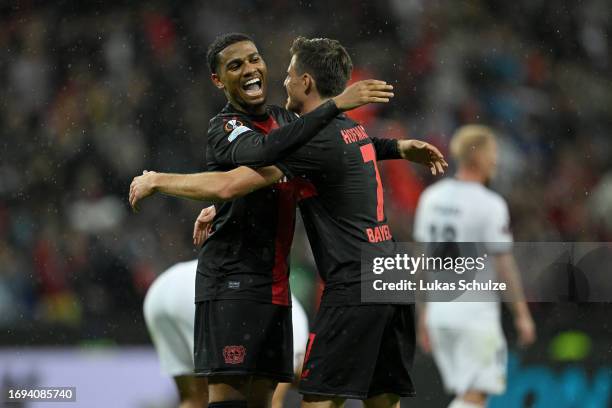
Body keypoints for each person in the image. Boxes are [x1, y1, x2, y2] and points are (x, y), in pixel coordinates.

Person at [130, 36, 448, 408]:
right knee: (382, 401)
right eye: (237, 65)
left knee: (317, 401)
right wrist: (398, 146)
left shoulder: (304, 136)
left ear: (306, 83)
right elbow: (330, 153)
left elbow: (234, 182)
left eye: (289, 73)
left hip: (352, 282)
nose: (282, 80)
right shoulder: (348, 129)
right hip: (391, 276)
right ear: (218, 79)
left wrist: (158, 180)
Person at [413, 125, 536, 408]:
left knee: (468, 394)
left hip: (440, 313)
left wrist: (423, 314)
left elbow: (420, 263)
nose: (496, 160)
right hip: (473, 315)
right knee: (476, 394)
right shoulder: (490, 205)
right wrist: (521, 314)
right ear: (479, 156)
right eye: (493, 153)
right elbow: (505, 265)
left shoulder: (431, 198)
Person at [143, 256, 310, 408]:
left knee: (193, 400)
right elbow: (273, 402)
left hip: (163, 288)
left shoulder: (296, 317)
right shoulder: (296, 339)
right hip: (200, 289)